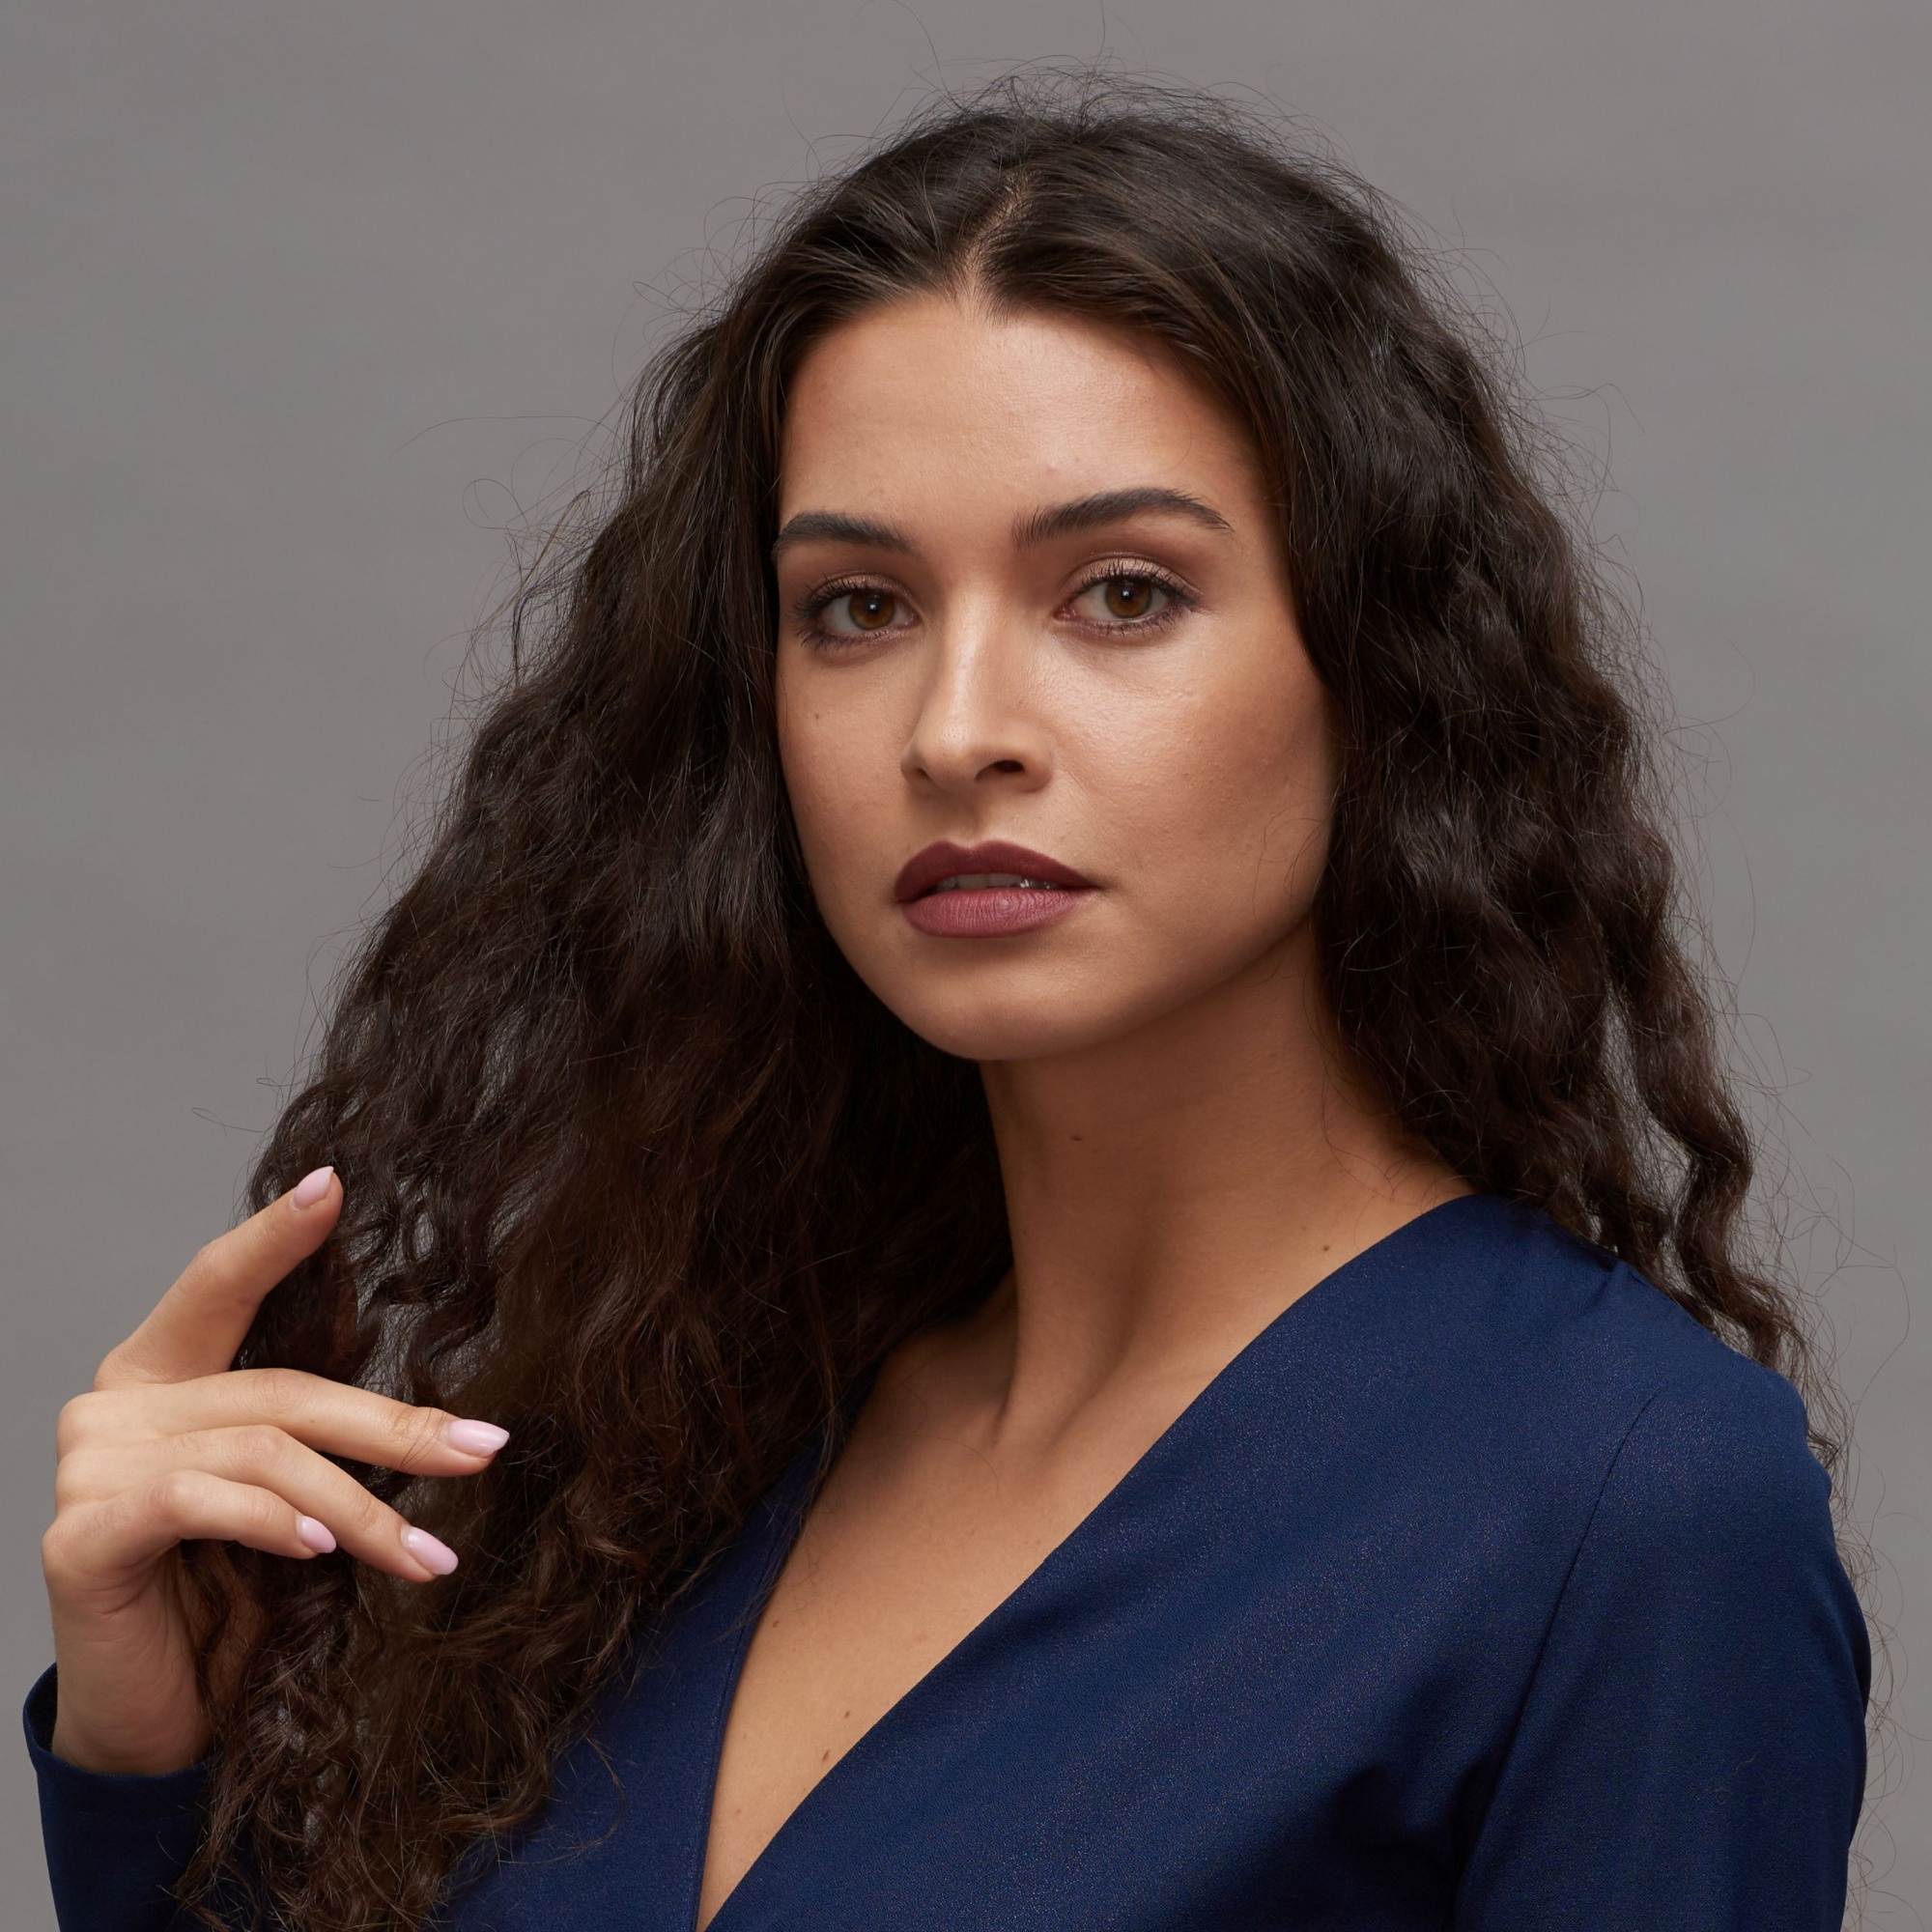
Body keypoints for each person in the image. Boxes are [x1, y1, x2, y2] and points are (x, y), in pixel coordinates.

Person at [24, 66, 1873, 1932]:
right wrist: (155, 1757)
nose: (957, 729)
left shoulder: (1619, 1506)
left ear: (1376, 666)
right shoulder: (674, 1448)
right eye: (858, 607)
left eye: (1124, 593)